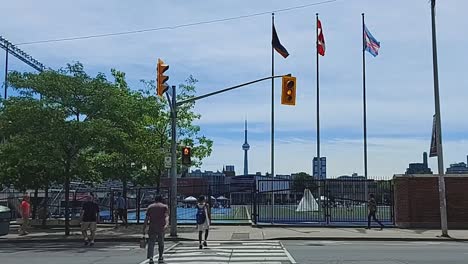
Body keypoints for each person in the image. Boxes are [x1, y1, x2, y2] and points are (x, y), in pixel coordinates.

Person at [143, 195, 169, 264]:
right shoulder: (164, 207)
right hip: (161, 227)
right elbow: (166, 216)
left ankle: (151, 258)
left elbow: (146, 218)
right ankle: (160, 257)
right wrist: (166, 224)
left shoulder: (150, 207)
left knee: (151, 243)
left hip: (152, 226)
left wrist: (144, 227)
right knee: (161, 243)